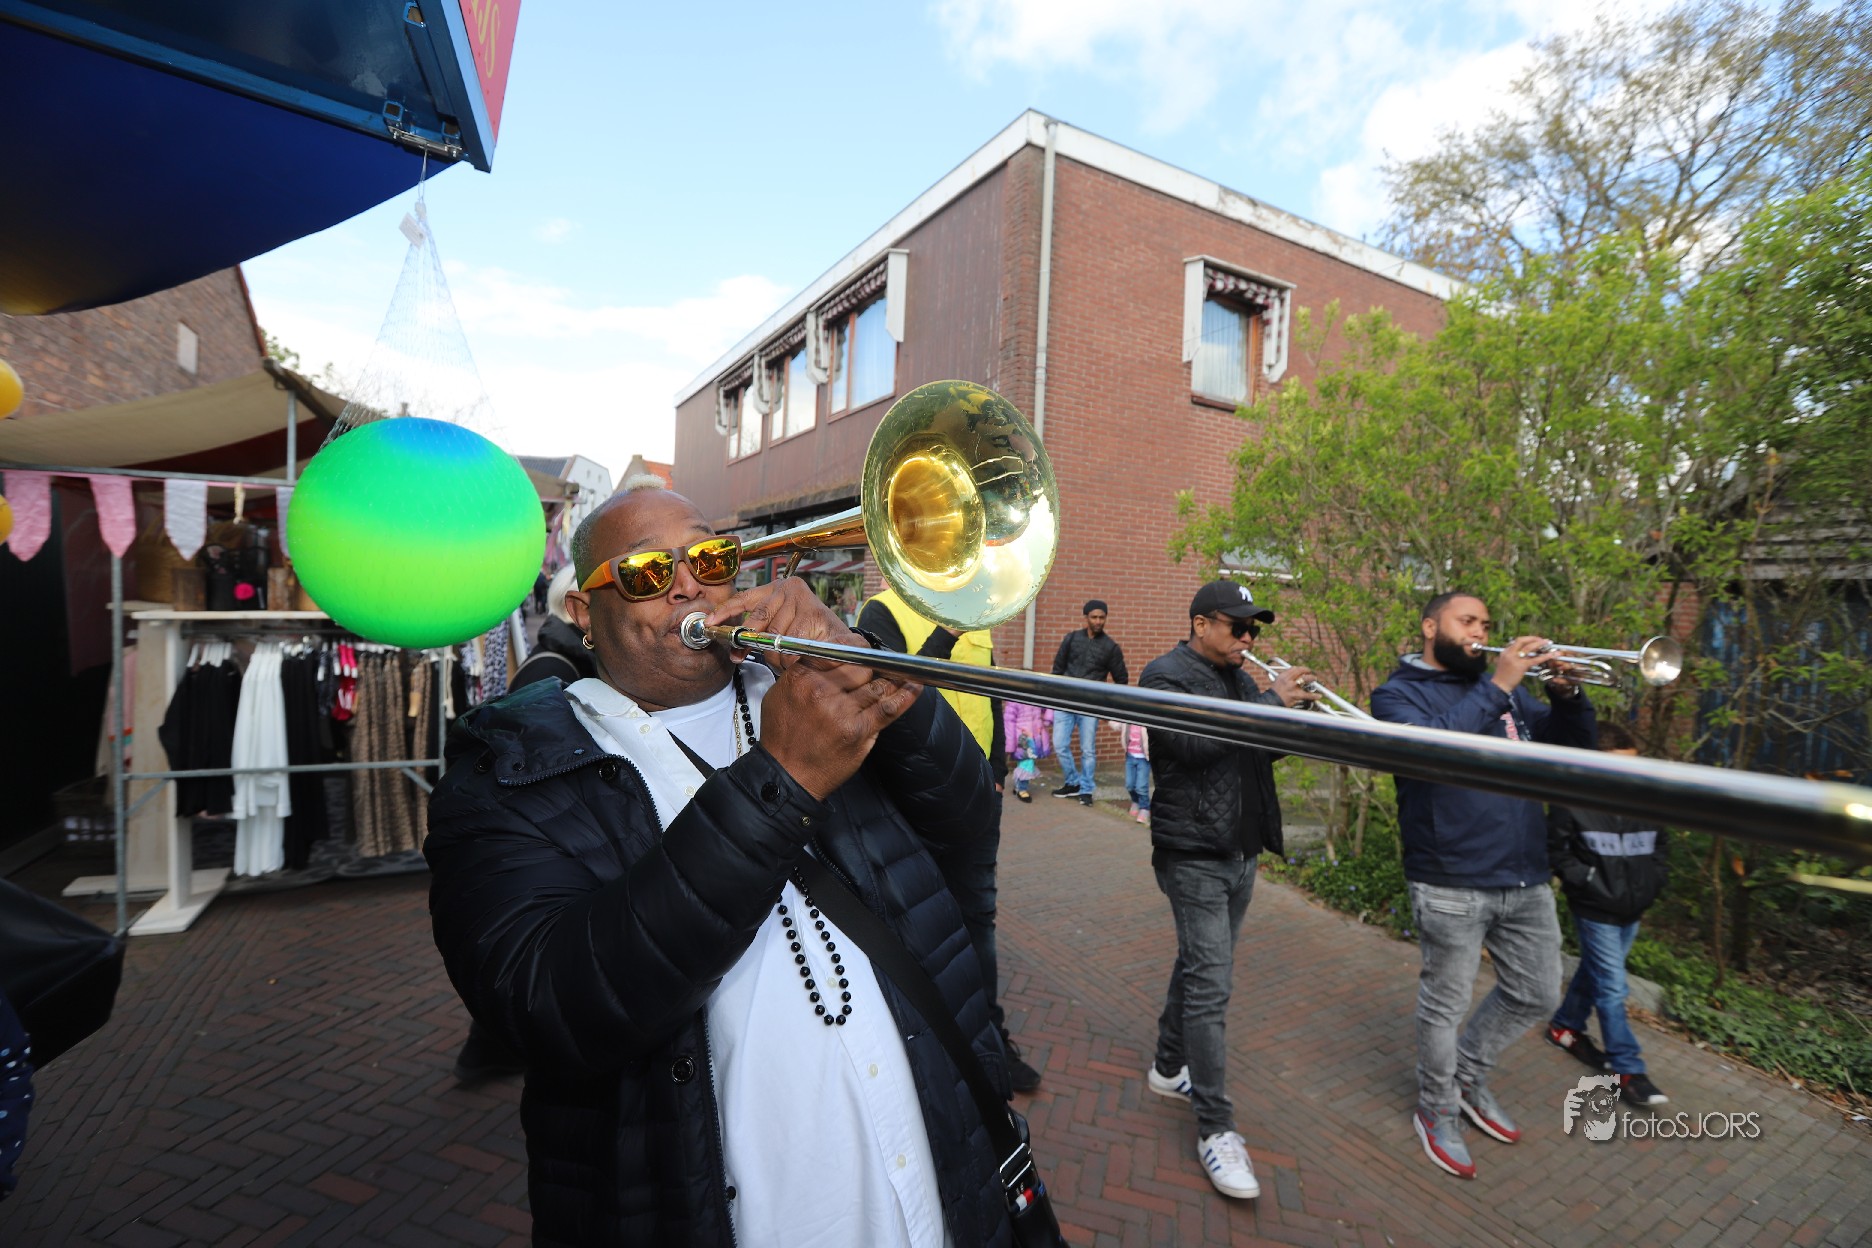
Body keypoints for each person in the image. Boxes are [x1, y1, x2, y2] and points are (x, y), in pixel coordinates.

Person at [425, 479, 1020, 1247]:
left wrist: (858, 656)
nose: (687, 586)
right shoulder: (507, 764)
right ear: (584, 612)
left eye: (708, 559)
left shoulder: (810, 686)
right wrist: (784, 778)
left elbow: (966, 817)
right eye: (647, 572)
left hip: (938, 1201)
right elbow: (545, 1004)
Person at [1370, 592, 1596, 1181]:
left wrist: (1567, 695)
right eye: (1467, 621)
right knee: (1444, 1005)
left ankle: (1466, 1077)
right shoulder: (1396, 695)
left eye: (1486, 624)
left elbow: (1573, 748)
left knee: (1538, 992)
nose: (1479, 632)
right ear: (1430, 627)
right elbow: (1433, 750)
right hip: (1450, 878)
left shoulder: (1508, 693)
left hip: (1524, 873)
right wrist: (1498, 684)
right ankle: (1436, 1107)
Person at [1139, 580, 1317, 1200]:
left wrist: (1295, 715)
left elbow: (1256, 754)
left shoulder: (1242, 682)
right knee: (1211, 988)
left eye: (1254, 630)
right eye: (1238, 627)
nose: (1248, 638)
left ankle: (1168, 1067)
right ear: (1200, 624)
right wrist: (1269, 702)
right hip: (1193, 855)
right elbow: (1193, 745)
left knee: (1199, 967)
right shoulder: (1163, 676)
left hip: (1242, 852)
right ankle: (1215, 1126)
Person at [858, 587, 1043, 1095]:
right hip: (916, 795)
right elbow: (888, 694)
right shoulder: (881, 611)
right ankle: (929, 1042)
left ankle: (991, 1039)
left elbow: (990, 695)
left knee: (978, 918)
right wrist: (945, 633)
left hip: (978, 792)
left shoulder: (979, 617)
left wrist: (997, 770)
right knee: (917, 920)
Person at [1546, 721, 1669, 1107]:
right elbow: (1556, 852)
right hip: (1595, 908)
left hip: (1633, 907)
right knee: (1613, 987)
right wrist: (1589, 881)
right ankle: (1627, 1068)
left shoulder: (1646, 799)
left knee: (1596, 971)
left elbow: (1661, 847)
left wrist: (1653, 881)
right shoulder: (1573, 800)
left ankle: (1564, 1026)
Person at [1050, 600, 1127, 805]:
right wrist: (1055, 696)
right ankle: (1072, 782)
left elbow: (1121, 681)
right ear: (1086, 618)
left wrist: (1106, 705)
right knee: (1059, 744)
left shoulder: (1111, 647)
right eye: (1094, 617)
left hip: (1090, 706)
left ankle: (1086, 790)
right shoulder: (1071, 639)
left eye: (1102, 617)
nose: (1098, 621)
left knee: (1088, 751)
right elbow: (1057, 670)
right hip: (1065, 703)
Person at [1111, 720, 1151, 823]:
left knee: (1141, 786)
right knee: (1129, 785)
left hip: (1143, 758)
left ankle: (1145, 808)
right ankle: (1135, 801)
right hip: (1130, 756)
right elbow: (1116, 724)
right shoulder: (1128, 720)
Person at [1010, 733, 1039, 802]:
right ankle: (1022, 790)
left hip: (1025, 763)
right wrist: (1030, 738)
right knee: (1024, 778)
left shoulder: (1023, 748)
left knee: (1020, 776)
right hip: (1026, 765)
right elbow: (1034, 751)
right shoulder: (1027, 747)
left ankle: (1017, 788)